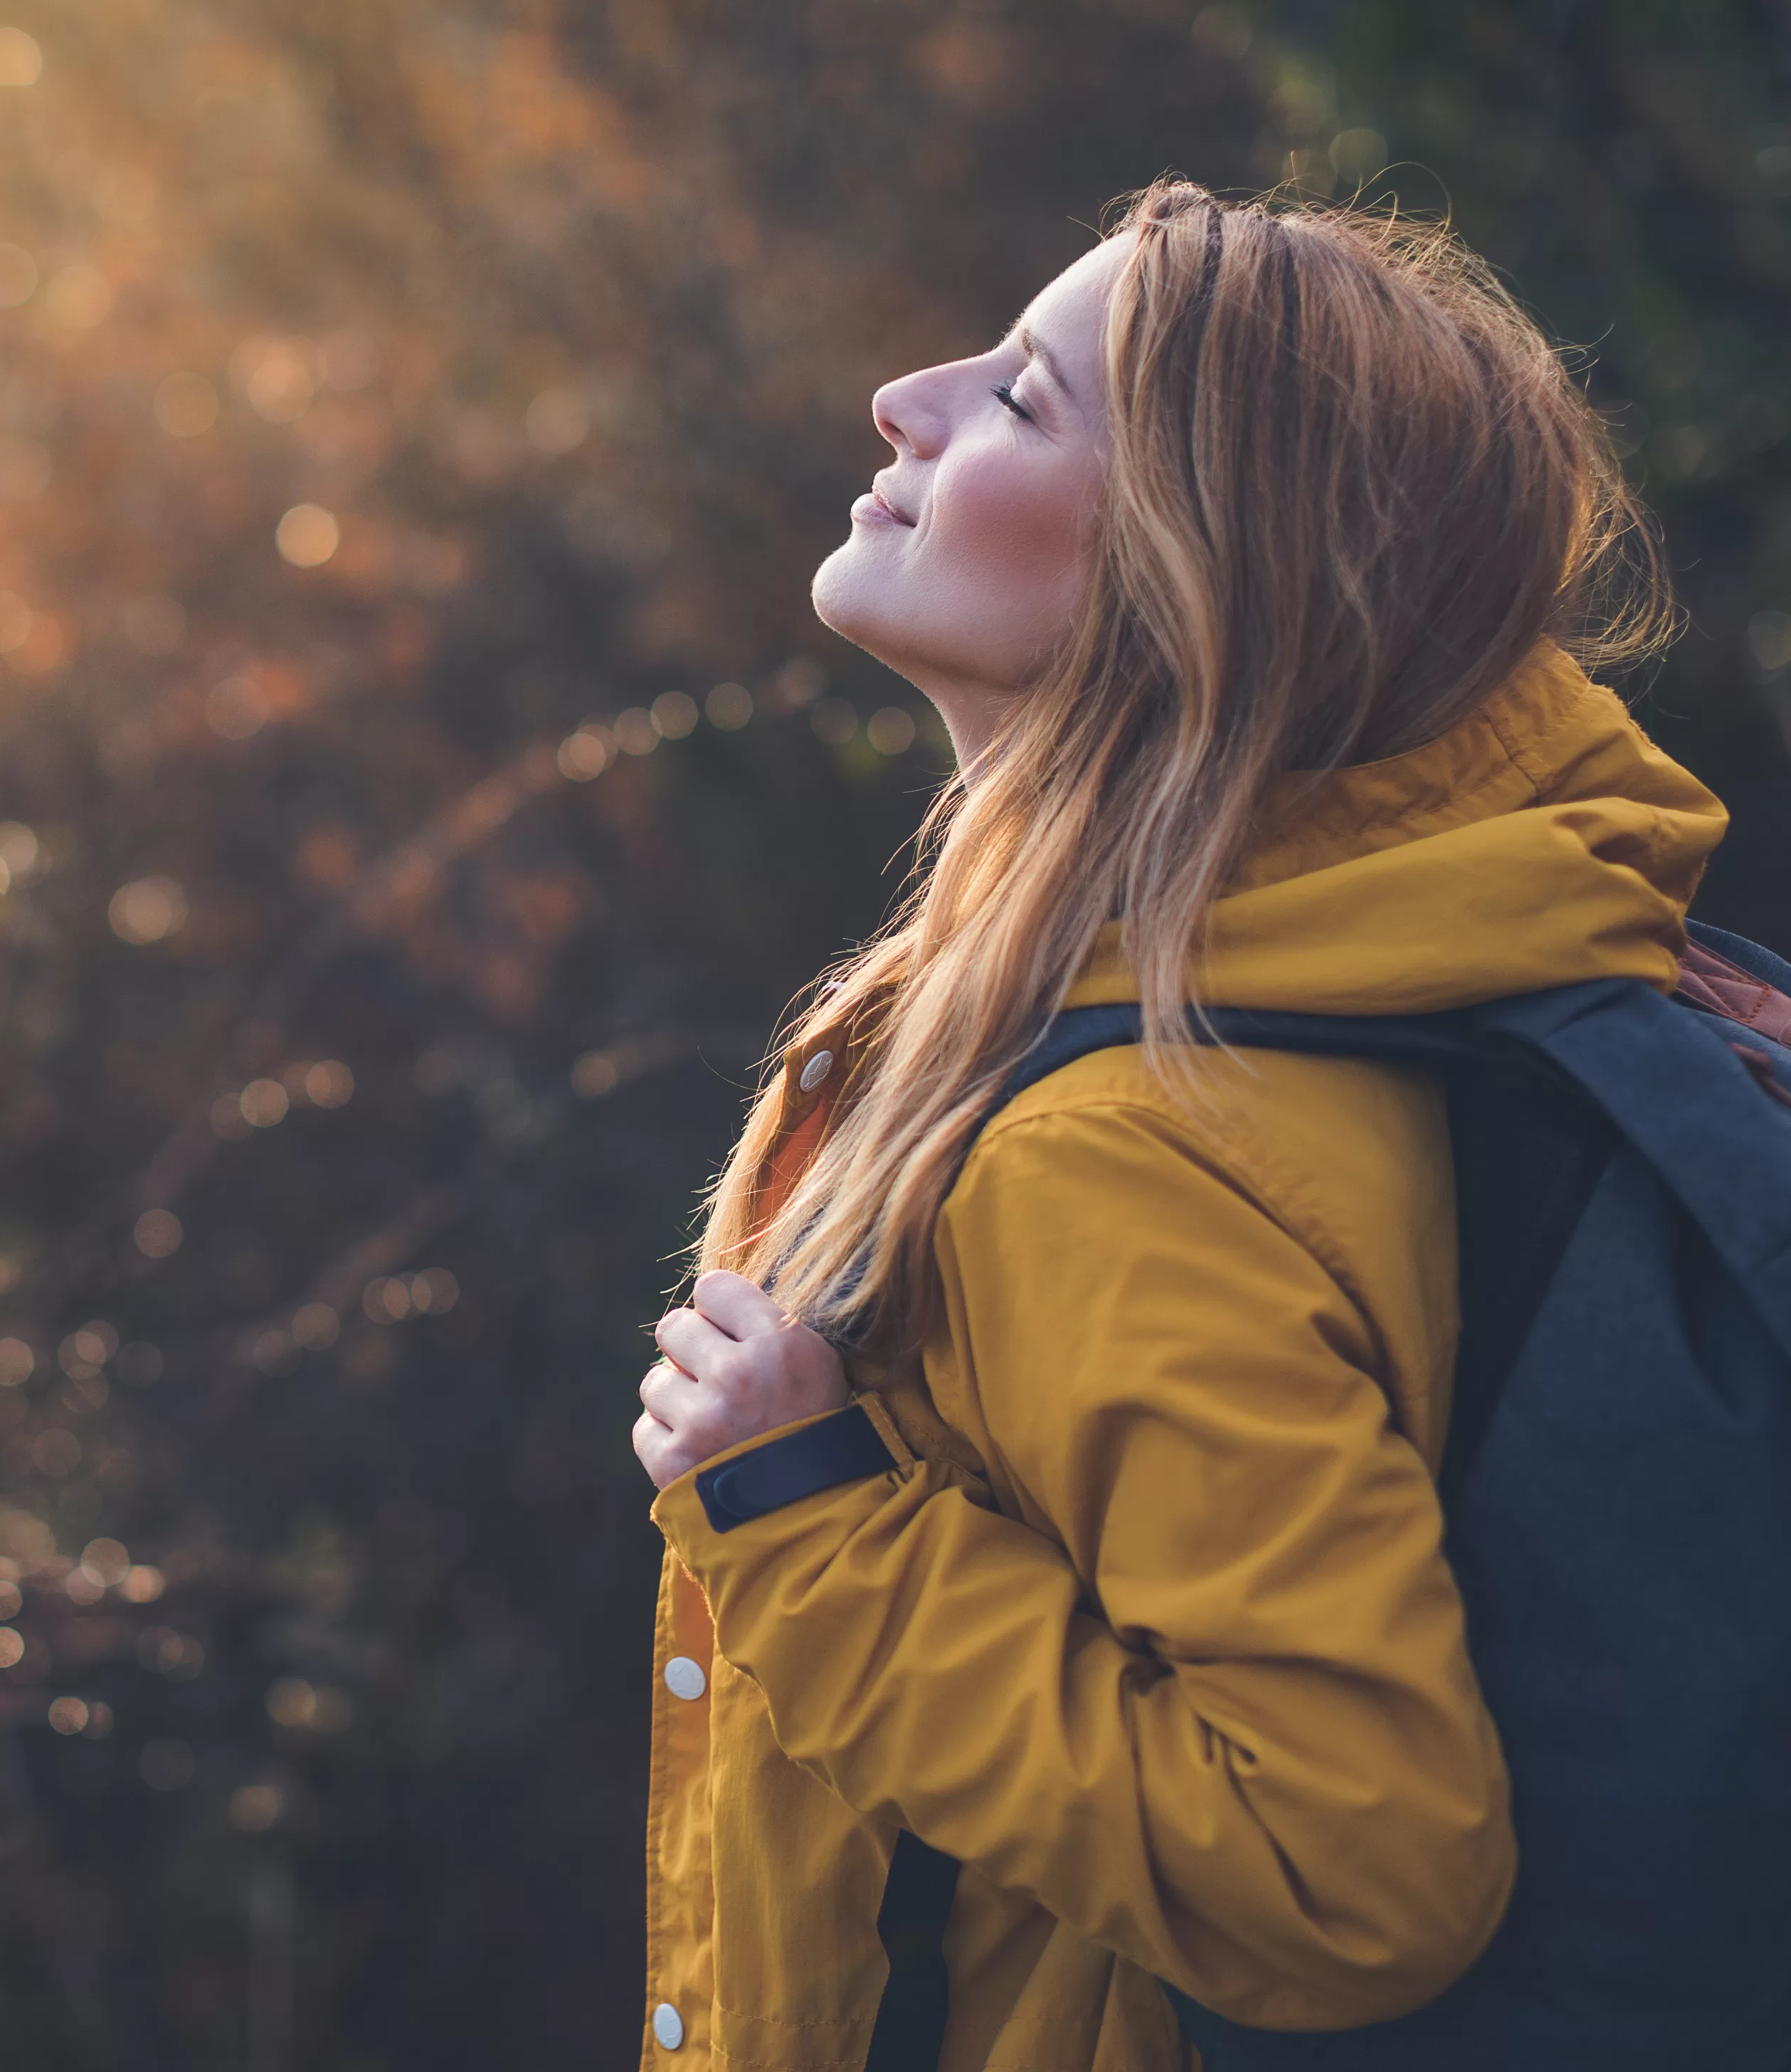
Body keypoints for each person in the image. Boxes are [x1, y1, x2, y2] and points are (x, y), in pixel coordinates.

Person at [627, 179, 1717, 2069]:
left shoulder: (1113, 1151)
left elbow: (1353, 1869)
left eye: (1021, 399)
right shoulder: (1353, 972)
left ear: (1193, 576)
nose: (905, 398)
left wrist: (814, 1528)